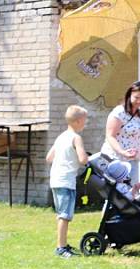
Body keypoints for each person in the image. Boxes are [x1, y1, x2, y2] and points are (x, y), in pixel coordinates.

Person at [46, 105, 89, 259]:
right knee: (64, 216)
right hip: (66, 180)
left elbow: (49, 158)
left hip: (55, 179)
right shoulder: (76, 138)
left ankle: (63, 244)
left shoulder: (61, 137)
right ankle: (61, 248)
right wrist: (88, 158)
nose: (86, 123)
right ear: (78, 121)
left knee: (62, 213)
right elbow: (83, 159)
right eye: (85, 120)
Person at [101, 80, 140, 183]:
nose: (139, 101)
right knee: (116, 196)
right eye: (136, 97)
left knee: (129, 195)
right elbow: (110, 136)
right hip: (116, 161)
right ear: (129, 95)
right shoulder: (119, 112)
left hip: (133, 162)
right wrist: (122, 152)